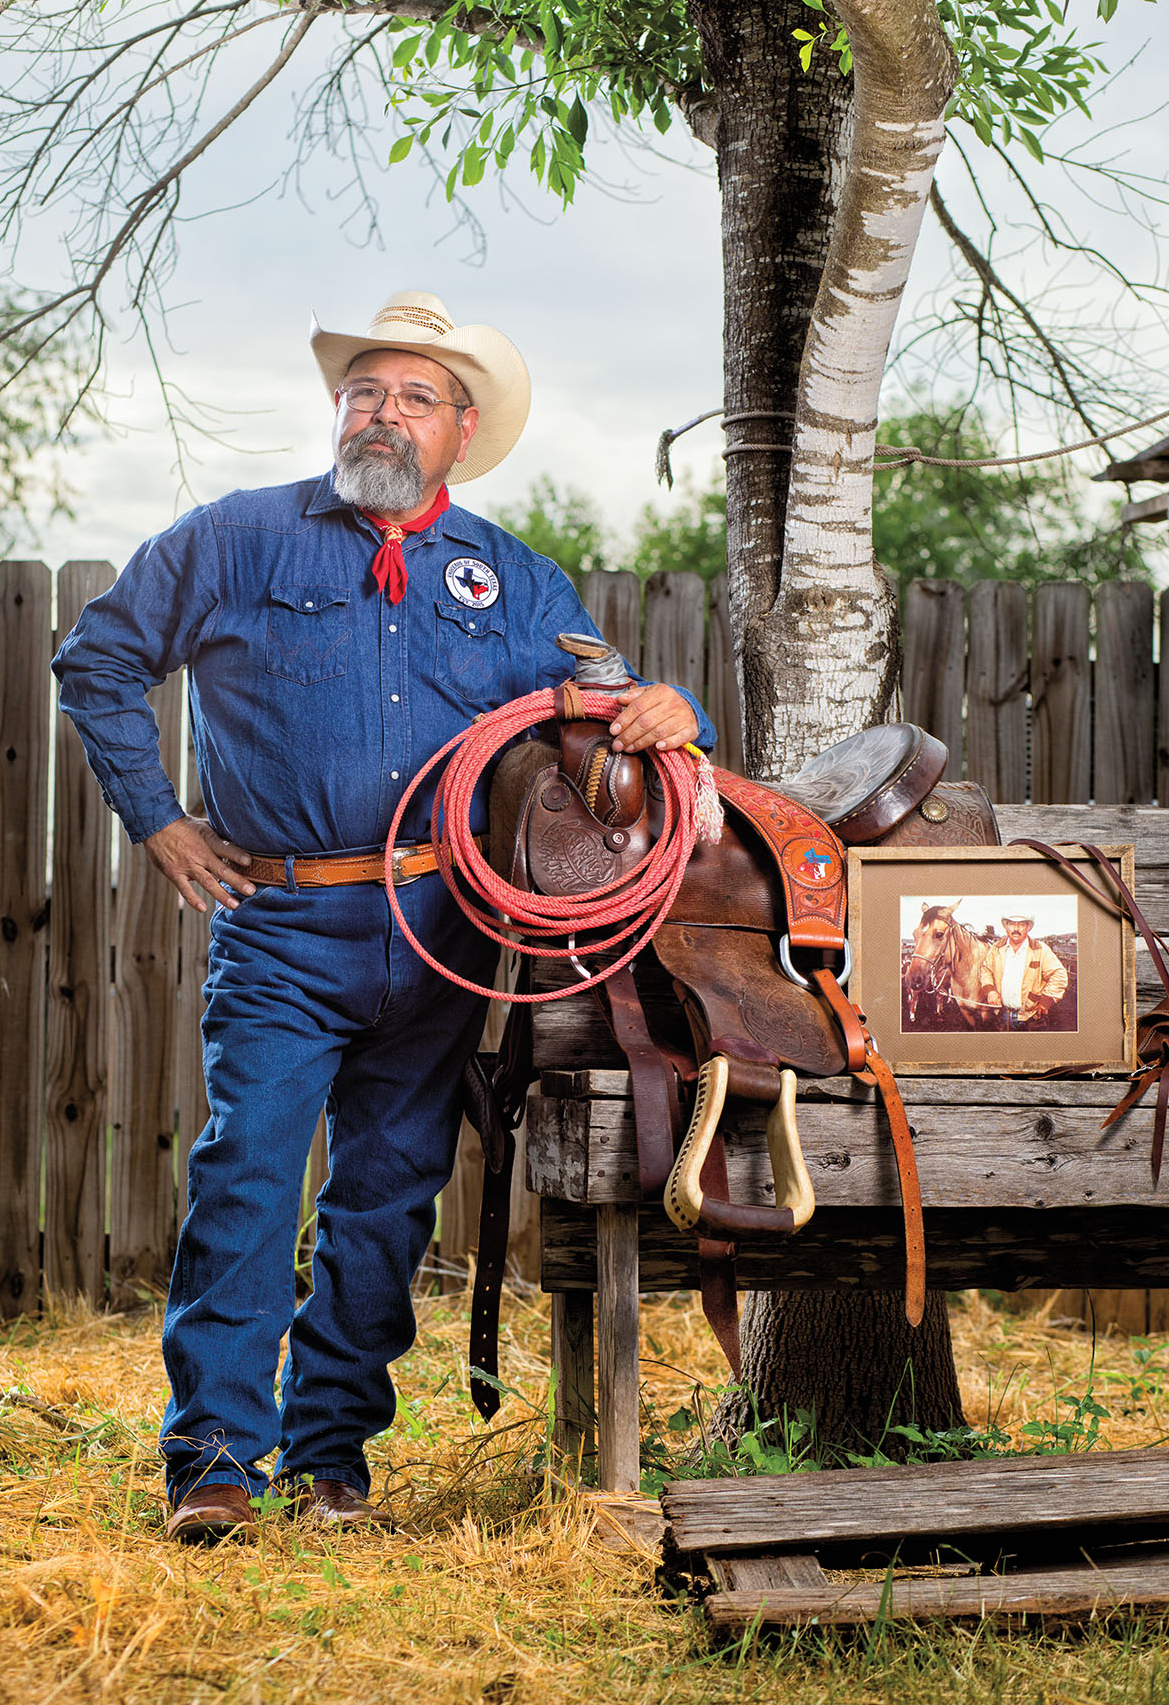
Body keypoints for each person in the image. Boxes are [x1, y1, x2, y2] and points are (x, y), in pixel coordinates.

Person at [53, 291, 714, 1543]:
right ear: (337, 411)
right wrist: (158, 819)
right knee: (247, 1176)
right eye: (365, 390)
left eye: (415, 396)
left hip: (443, 933)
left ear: (462, 430)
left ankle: (329, 1460)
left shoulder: (513, 580)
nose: (384, 413)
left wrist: (680, 714)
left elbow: (605, 713)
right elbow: (95, 661)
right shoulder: (232, 542)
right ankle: (212, 1461)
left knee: (388, 1197)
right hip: (284, 926)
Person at [979, 910, 1069, 1028]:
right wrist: (990, 991)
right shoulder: (996, 949)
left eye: (1021, 924)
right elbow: (986, 970)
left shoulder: (1040, 950)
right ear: (1006, 926)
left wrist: (1045, 1002)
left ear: (1028, 927)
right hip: (1002, 1015)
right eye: (1011, 924)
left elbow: (1059, 975)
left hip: (1031, 1017)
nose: (1016, 928)